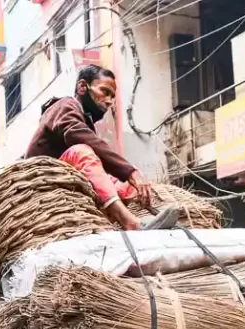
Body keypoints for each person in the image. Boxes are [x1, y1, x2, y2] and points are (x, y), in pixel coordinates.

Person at [25, 65, 177, 231]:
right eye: (105, 92)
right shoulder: (65, 105)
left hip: (68, 178)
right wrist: (130, 171)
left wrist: (127, 177)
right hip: (43, 179)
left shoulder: (85, 120)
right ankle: (130, 223)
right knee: (82, 152)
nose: (109, 101)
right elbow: (76, 135)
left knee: (122, 184)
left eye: (112, 96)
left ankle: (152, 216)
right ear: (83, 87)